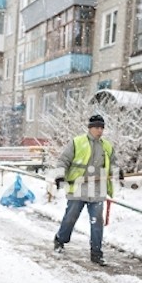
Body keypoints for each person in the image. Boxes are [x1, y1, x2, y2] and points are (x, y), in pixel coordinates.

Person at [52, 114, 119, 266]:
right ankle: (60, 240)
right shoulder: (78, 142)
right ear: (90, 128)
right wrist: (60, 176)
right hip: (78, 186)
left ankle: (96, 253)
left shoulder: (106, 146)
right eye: (97, 127)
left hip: (97, 189)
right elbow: (63, 160)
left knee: (97, 222)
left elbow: (113, 163)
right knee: (70, 217)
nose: (100, 130)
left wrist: (117, 171)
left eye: (102, 127)